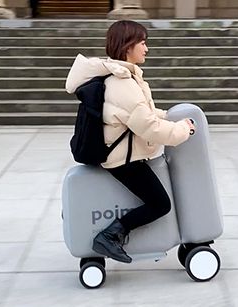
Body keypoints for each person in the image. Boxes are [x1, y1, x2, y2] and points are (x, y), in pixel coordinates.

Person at [65, 20, 195, 263]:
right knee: (160, 204)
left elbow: (142, 113)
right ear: (128, 46)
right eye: (143, 43)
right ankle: (109, 236)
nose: (146, 48)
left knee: (157, 199)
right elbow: (149, 128)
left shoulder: (122, 77)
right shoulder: (123, 84)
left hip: (125, 154)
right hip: (122, 161)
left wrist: (168, 116)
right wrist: (182, 131)